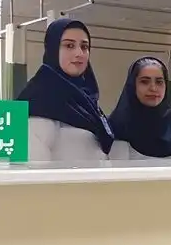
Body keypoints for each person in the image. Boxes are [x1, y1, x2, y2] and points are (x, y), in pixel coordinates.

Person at [18, 18, 114, 162]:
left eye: (84, 47)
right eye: (69, 46)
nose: (79, 53)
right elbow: (33, 167)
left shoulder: (86, 100)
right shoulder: (39, 100)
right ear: (53, 49)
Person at [108, 57, 171, 160]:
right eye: (144, 82)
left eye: (159, 82)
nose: (153, 88)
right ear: (133, 85)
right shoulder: (116, 128)